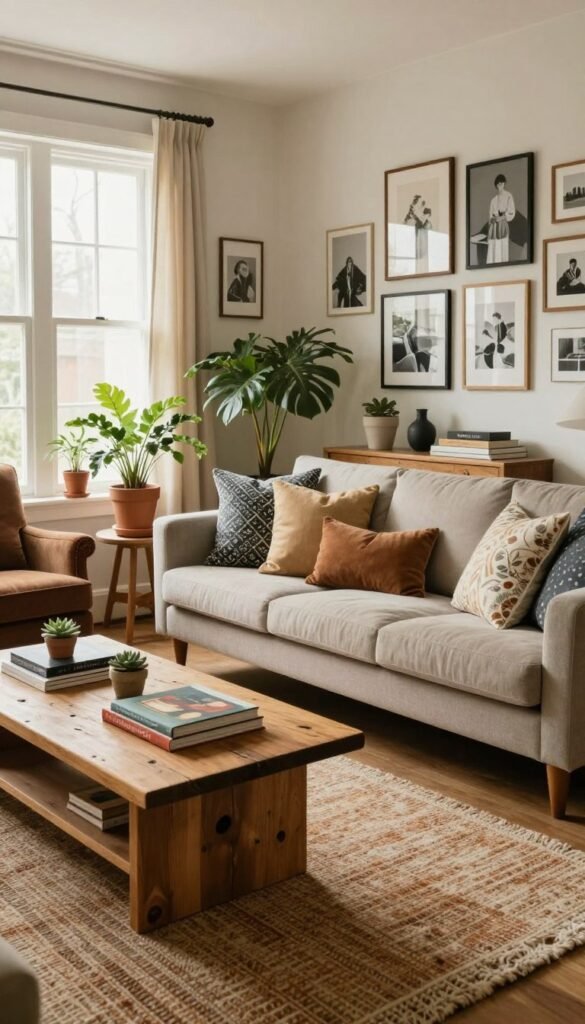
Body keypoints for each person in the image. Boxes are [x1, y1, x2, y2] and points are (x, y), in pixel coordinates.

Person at [487, 174, 516, 264]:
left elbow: (511, 212)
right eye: (498, 184)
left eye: (502, 184)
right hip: (494, 227)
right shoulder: (493, 200)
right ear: (496, 185)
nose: (500, 186)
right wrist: (493, 219)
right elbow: (490, 215)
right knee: (493, 248)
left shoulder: (508, 196)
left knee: (502, 247)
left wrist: (502, 217)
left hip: (502, 225)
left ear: (504, 184)